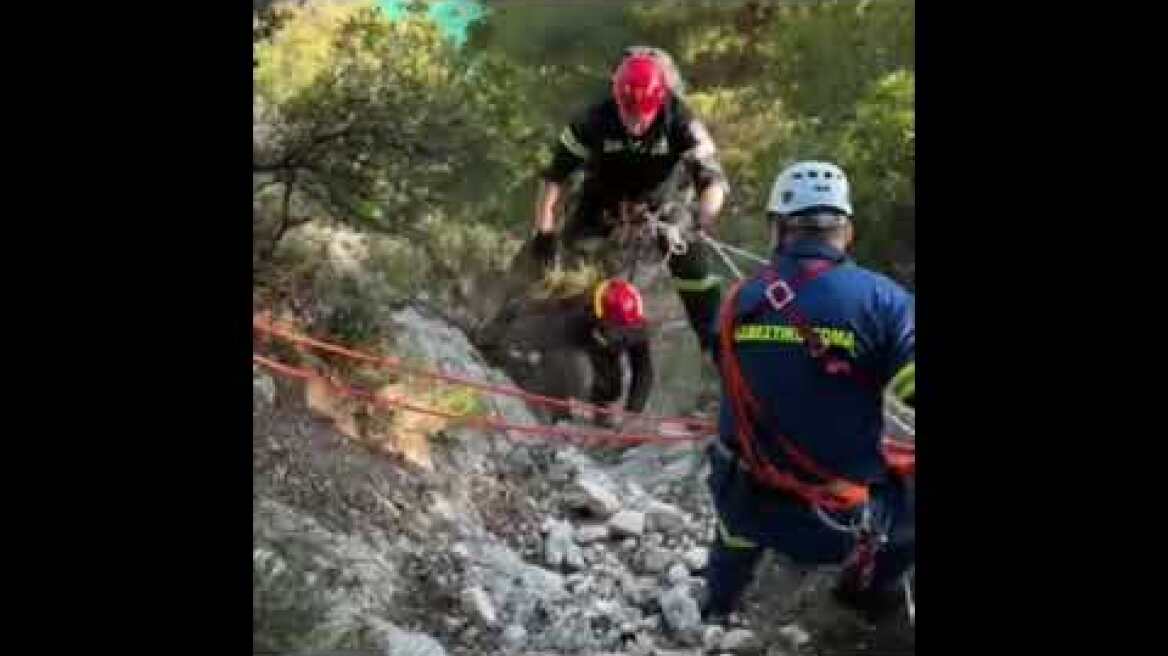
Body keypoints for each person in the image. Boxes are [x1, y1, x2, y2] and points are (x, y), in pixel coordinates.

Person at [702, 161, 916, 624]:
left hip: (744, 503)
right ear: (848, 232)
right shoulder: (885, 302)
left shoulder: (737, 302)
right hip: (836, 526)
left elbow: (728, 366)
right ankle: (869, 593)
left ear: (778, 230)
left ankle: (717, 605)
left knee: (735, 463)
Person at [529, 47, 730, 354]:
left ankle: (715, 338)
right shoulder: (591, 122)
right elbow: (555, 176)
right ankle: (556, 336)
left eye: (643, 117)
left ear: (660, 101)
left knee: (692, 265)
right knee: (573, 262)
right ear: (617, 102)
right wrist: (543, 231)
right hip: (602, 199)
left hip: (663, 205)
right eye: (628, 115)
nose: (635, 125)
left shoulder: (681, 120)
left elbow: (713, 180)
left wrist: (703, 218)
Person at [563, 277, 653, 428]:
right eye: (620, 330)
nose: (625, 334)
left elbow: (644, 371)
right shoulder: (578, 318)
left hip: (603, 342)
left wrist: (632, 413)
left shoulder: (635, 324)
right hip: (576, 341)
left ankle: (600, 409)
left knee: (611, 387)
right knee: (575, 375)